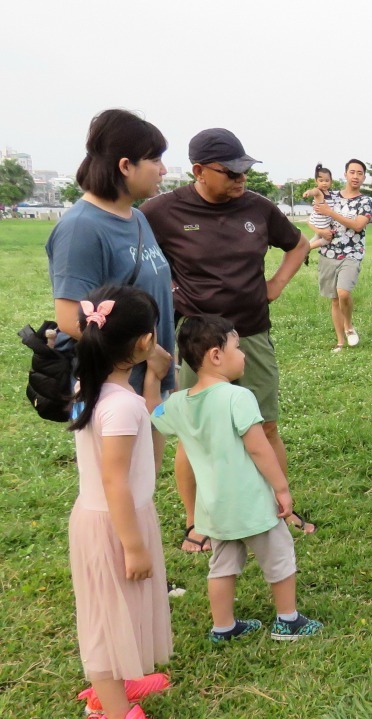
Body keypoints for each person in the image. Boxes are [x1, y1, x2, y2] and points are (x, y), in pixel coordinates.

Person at [141, 128, 313, 552]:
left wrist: (275, 285)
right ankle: (197, 520)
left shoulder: (258, 207)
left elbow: (298, 244)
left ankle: (281, 507)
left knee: (266, 424)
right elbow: (142, 262)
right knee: (194, 434)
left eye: (245, 171)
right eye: (230, 172)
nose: (241, 180)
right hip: (198, 343)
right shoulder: (161, 211)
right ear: (198, 171)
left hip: (250, 333)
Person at [152, 315, 324, 642]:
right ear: (216, 355)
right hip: (253, 503)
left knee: (223, 564)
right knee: (279, 555)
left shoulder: (178, 404)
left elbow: (153, 413)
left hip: (213, 508)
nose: (243, 354)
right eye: (237, 347)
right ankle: (288, 621)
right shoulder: (238, 397)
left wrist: (152, 378)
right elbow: (260, 449)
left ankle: (224, 627)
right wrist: (282, 488)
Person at [67, 286, 180, 719]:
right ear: (144, 341)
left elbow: (146, 456)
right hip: (116, 523)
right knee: (105, 613)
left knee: (116, 605)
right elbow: (118, 480)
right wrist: (133, 544)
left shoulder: (89, 391)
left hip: (107, 517)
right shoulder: (120, 406)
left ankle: (112, 680)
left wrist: (152, 380)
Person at [47, 109, 175, 465]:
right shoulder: (82, 229)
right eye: (156, 159)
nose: (163, 170)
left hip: (148, 378)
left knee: (143, 484)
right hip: (110, 389)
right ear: (125, 166)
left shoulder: (138, 217)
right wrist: (150, 353)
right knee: (114, 496)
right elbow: (72, 318)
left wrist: (161, 363)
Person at [314, 158, 372, 351]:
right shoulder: (330, 196)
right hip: (328, 252)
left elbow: (357, 225)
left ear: (364, 177)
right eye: (352, 172)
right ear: (345, 174)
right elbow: (315, 217)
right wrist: (320, 231)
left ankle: (348, 325)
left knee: (343, 292)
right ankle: (340, 341)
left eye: (360, 173)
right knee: (334, 298)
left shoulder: (366, 201)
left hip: (352, 253)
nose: (356, 176)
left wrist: (331, 213)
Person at [302, 163, 338, 250]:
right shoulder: (318, 191)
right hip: (322, 223)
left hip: (323, 221)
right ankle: (307, 248)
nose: (324, 183)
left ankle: (303, 249)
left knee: (316, 238)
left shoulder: (329, 193)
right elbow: (313, 191)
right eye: (321, 181)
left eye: (327, 180)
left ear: (331, 181)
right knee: (327, 239)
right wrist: (308, 192)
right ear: (316, 181)